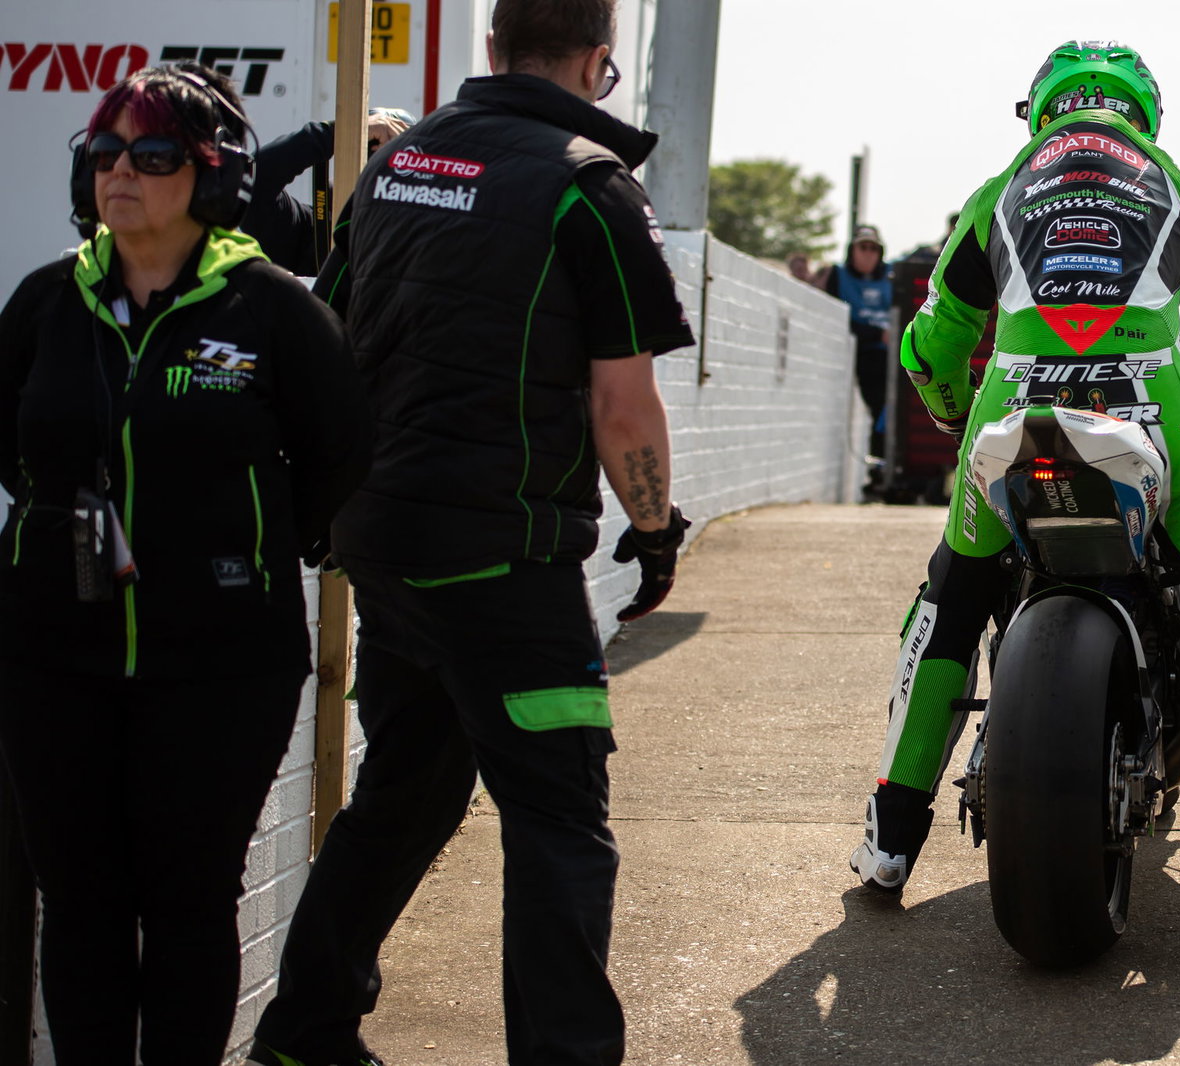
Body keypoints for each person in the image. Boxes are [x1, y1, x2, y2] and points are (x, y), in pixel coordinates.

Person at [246, 2, 695, 1064]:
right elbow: (622, 403)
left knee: (407, 787)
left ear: (491, 52)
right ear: (599, 62)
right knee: (559, 818)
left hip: (383, 545)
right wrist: (656, 525)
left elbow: (331, 330)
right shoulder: (590, 186)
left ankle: (303, 1032)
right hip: (503, 560)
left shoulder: (399, 166)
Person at [848, 40, 1180, 918]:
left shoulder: (998, 194)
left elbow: (931, 343)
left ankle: (889, 839)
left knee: (951, 598)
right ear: (1146, 112)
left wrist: (949, 412)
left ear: (1040, 109)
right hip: (1154, 402)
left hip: (1011, 409)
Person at [0, 62, 371, 1066]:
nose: (121, 172)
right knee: (78, 898)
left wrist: (250, 543)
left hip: (222, 662)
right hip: (52, 655)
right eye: (105, 152)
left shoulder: (273, 313)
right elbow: (12, 444)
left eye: (153, 153)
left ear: (209, 176)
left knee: (188, 896)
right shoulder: (46, 305)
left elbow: (339, 452)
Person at [238, 108, 414, 276]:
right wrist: (337, 133)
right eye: (369, 165)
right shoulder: (309, 231)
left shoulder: (421, 243)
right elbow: (254, 180)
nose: (383, 187)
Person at [823, 224, 894, 450]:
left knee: (895, 410)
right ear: (852, 250)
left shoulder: (891, 277)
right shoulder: (839, 275)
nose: (868, 253)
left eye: (873, 248)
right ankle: (879, 462)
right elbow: (834, 317)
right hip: (867, 353)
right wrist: (876, 333)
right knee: (880, 406)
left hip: (895, 355)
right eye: (863, 247)